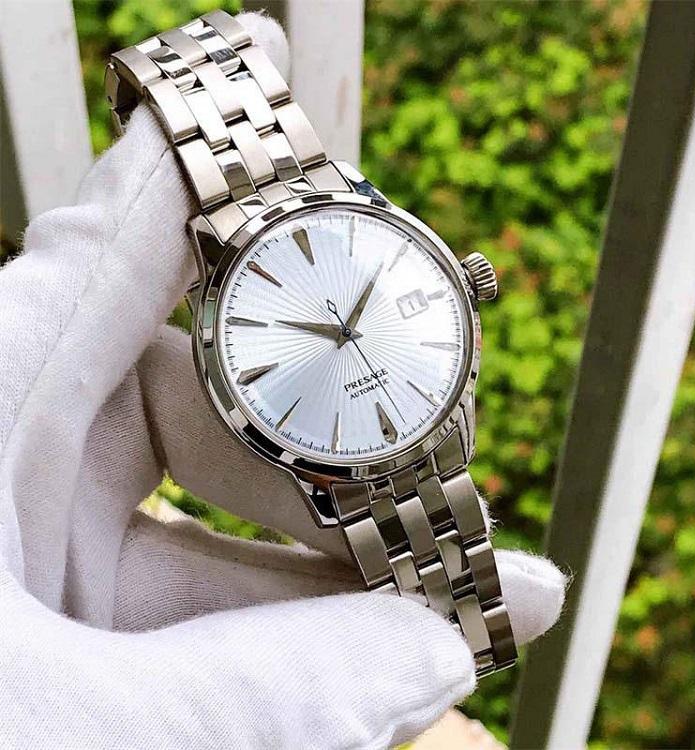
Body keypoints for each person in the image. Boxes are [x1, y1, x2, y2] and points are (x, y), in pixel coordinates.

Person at [0, 12, 565, 749]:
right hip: (336, 447)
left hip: (419, 417)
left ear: (465, 283)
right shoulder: (224, 332)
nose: (345, 332)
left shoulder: (367, 224)